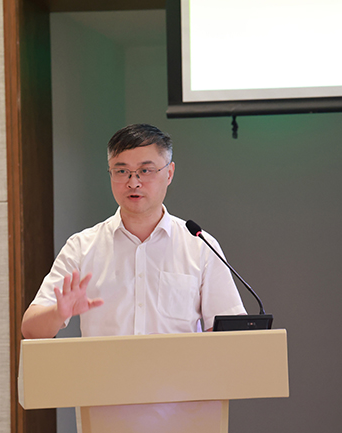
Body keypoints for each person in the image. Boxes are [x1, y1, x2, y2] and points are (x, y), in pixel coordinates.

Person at [21, 123, 245, 339]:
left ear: (169, 173)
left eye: (145, 170)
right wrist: (58, 313)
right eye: (122, 171)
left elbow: (229, 334)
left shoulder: (200, 245)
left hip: (179, 367)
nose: (133, 182)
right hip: (104, 367)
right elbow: (30, 329)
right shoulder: (81, 247)